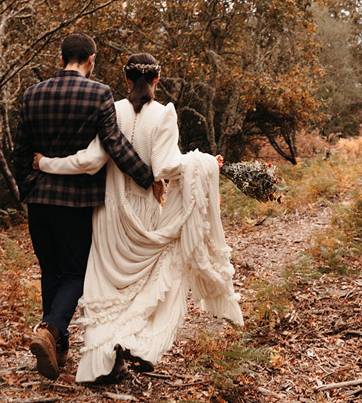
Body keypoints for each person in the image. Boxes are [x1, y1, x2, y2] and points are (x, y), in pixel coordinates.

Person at [33, 53, 243, 383]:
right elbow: (165, 167)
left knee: (105, 287)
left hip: (108, 213)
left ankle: (100, 365)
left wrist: (45, 163)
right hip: (145, 212)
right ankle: (137, 346)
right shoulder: (164, 114)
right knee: (152, 280)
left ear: (126, 80)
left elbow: (90, 161)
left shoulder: (110, 109)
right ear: (157, 80)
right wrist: (204, 163)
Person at [12, 34, 163, 381]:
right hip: (76, 202)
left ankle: (57, 346)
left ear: (61, 57)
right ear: (91, 60)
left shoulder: (32, 94)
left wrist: (28, 188)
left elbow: (20, 150)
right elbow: (114, 145)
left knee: (50, 270)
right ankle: (50, 331)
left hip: (39, 200)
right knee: (76, 274)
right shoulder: (98, 94)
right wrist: (147, 177)